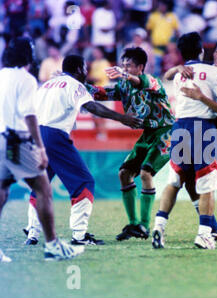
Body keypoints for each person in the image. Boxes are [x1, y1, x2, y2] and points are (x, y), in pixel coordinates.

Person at [23, 54, 142, 246]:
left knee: (40, 185)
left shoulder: (46, 85)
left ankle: (33, 233)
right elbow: (92, 106)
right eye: (85, 69)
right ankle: (79, 235)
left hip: (35, 136)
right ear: (79, 69)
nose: (86, 73)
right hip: (54, 136)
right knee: (84, 182)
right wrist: (122, 118)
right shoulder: (74, 84)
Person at [151, 32, 217, 250]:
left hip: (185, 127)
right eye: (216, 51)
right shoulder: (213, 73)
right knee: (206, 185)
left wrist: (178, 68)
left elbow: (167, 77)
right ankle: (205, 234)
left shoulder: (184, 74)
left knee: (176, 181)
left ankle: (159, 226)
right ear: (204, 51)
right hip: (204, 128)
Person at [0, 37, 84, 261]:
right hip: (17, 140)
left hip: (0, 141)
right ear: (27, 55)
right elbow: (29, 114)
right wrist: (40, 148)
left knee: (2, 192)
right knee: (43, 190)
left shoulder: (1, 76)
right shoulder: (26, 79)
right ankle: (52, 245)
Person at [86, 47, 175, 242]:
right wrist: (75, 84)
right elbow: (100, 94)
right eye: (122, 64)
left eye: (129, 65)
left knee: (145, 173)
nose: (124, 68)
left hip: (167, 132)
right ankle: (134, 224)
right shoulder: (124, 86)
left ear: (140, 67)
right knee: (124, 174)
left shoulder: (153, 81)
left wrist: (123, 74)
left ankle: (144, 225)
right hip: (148, 134)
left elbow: (141, 83)